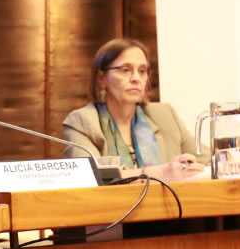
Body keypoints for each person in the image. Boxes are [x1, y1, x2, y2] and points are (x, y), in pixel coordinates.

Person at [61, 38, 206, 181]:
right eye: (125, 70)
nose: (136, 78)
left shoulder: (165, 114)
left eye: (142, 71)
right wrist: (160, 173)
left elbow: (208, 160)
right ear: (101, 78)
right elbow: (90, 177)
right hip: (114, 204)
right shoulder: (82, 122)